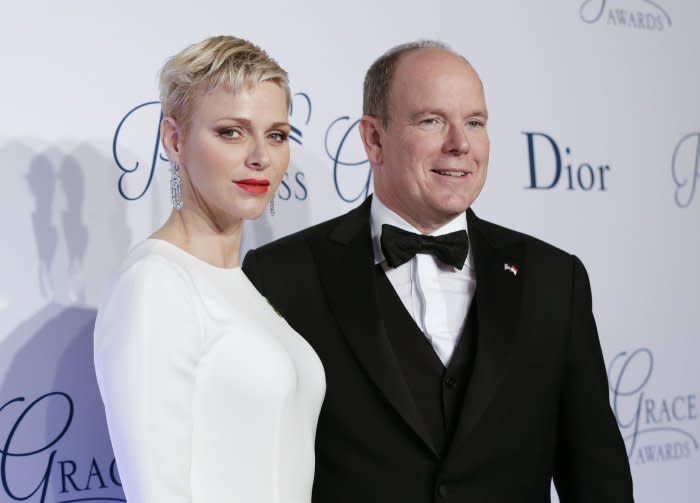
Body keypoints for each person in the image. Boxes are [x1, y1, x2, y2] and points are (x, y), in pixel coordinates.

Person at [242, 41, 633, 502]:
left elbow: (597, 478)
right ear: (374, 139)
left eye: (475, 122)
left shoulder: (553, 279)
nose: (460, 144)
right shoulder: (280, 276)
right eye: (431, 121)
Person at [94, 35, 325, 503]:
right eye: (231, 132)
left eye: (276, 135)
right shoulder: (154, 283)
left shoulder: (241, 286)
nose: (260, 155)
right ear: (174, 140)